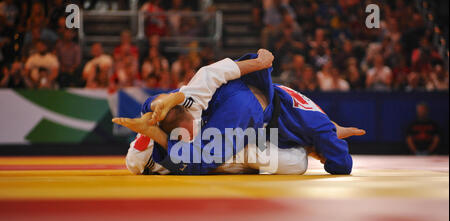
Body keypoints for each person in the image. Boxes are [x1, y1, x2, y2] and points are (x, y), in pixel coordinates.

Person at [114, 50, 364, 176]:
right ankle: (161, 129)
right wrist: (328, 154)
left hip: (238, 89)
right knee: (297, 164)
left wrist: (259, 62)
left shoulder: (311, 114)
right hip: (247, 109)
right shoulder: (318, 128)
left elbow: (212, 75)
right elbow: (343, 164)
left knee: (203, 83)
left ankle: (163, 102)